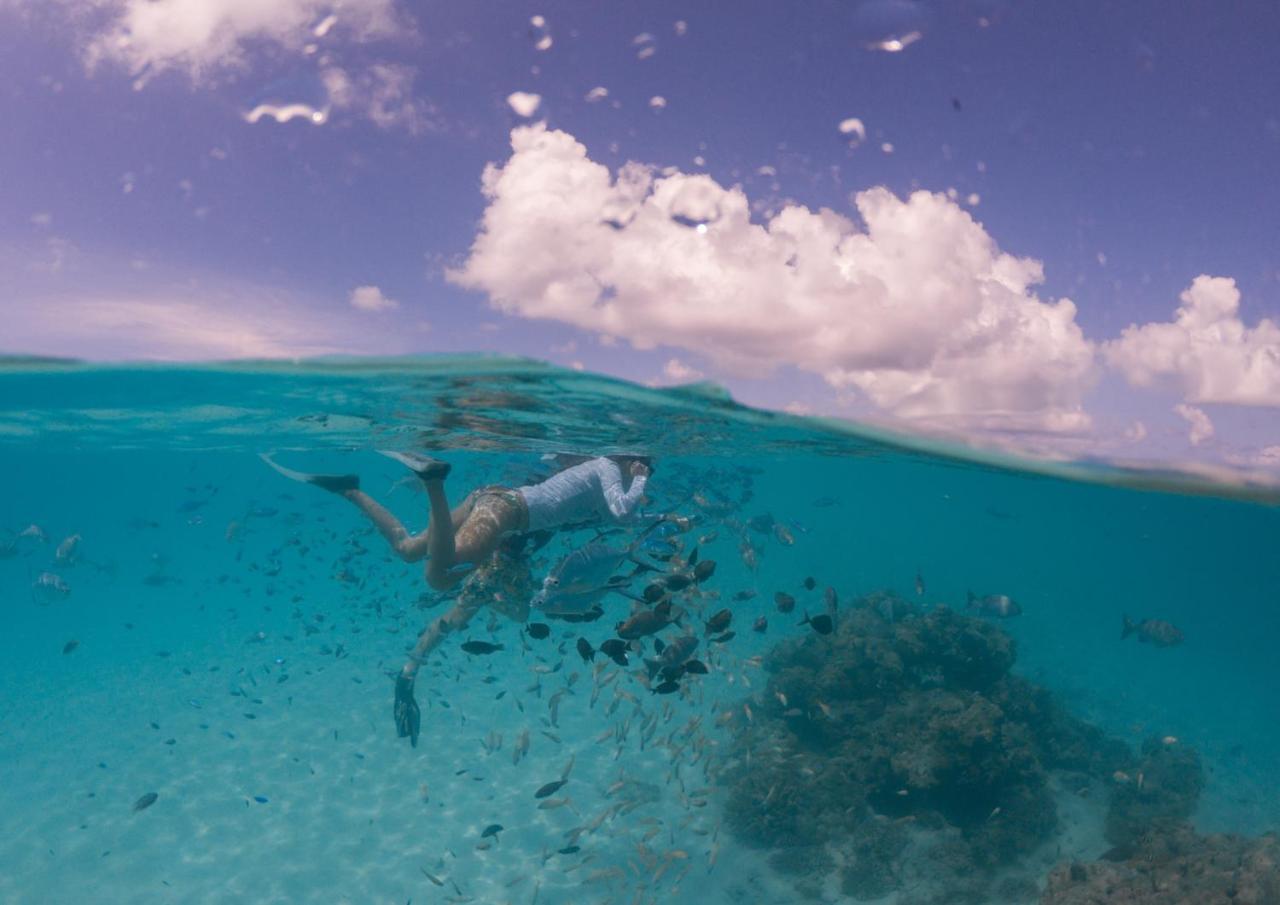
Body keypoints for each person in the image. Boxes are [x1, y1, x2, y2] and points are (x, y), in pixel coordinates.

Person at [261, 451, 653, 746]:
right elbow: (620, 510)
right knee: (438, 577)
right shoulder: (603, 470)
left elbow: (618, 514)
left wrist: (408, 675)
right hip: (503, 514)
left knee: (408, 549)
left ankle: (350, 490)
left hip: (494, 500)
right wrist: (640, 480)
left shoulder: (591, 476)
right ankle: (433, 480)